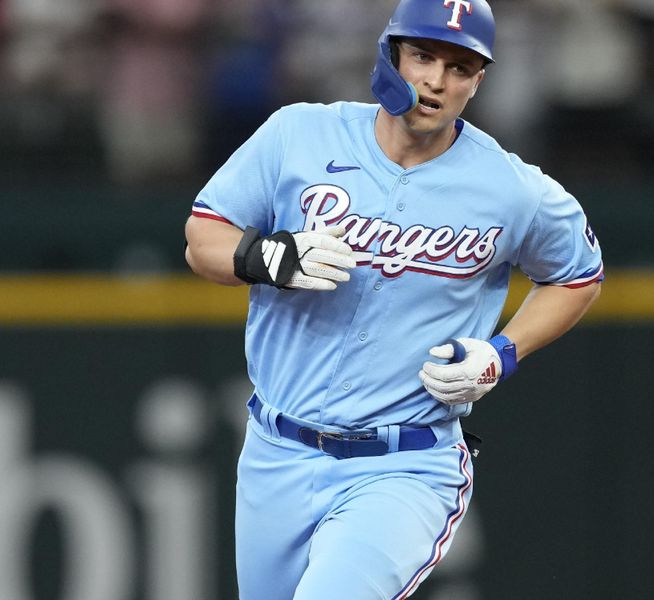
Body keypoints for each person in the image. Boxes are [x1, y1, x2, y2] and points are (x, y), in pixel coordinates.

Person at [184, 0, 603, 597]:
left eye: (460, 67)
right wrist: (268, 256)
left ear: (478, 81)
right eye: (424, 56)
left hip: (405, 464)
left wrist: (503, 352)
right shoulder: (299, 134)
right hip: (276, 452)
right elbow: (203, 237)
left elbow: (578, 274)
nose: (436, 79)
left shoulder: (511, 188)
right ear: (391, 54)